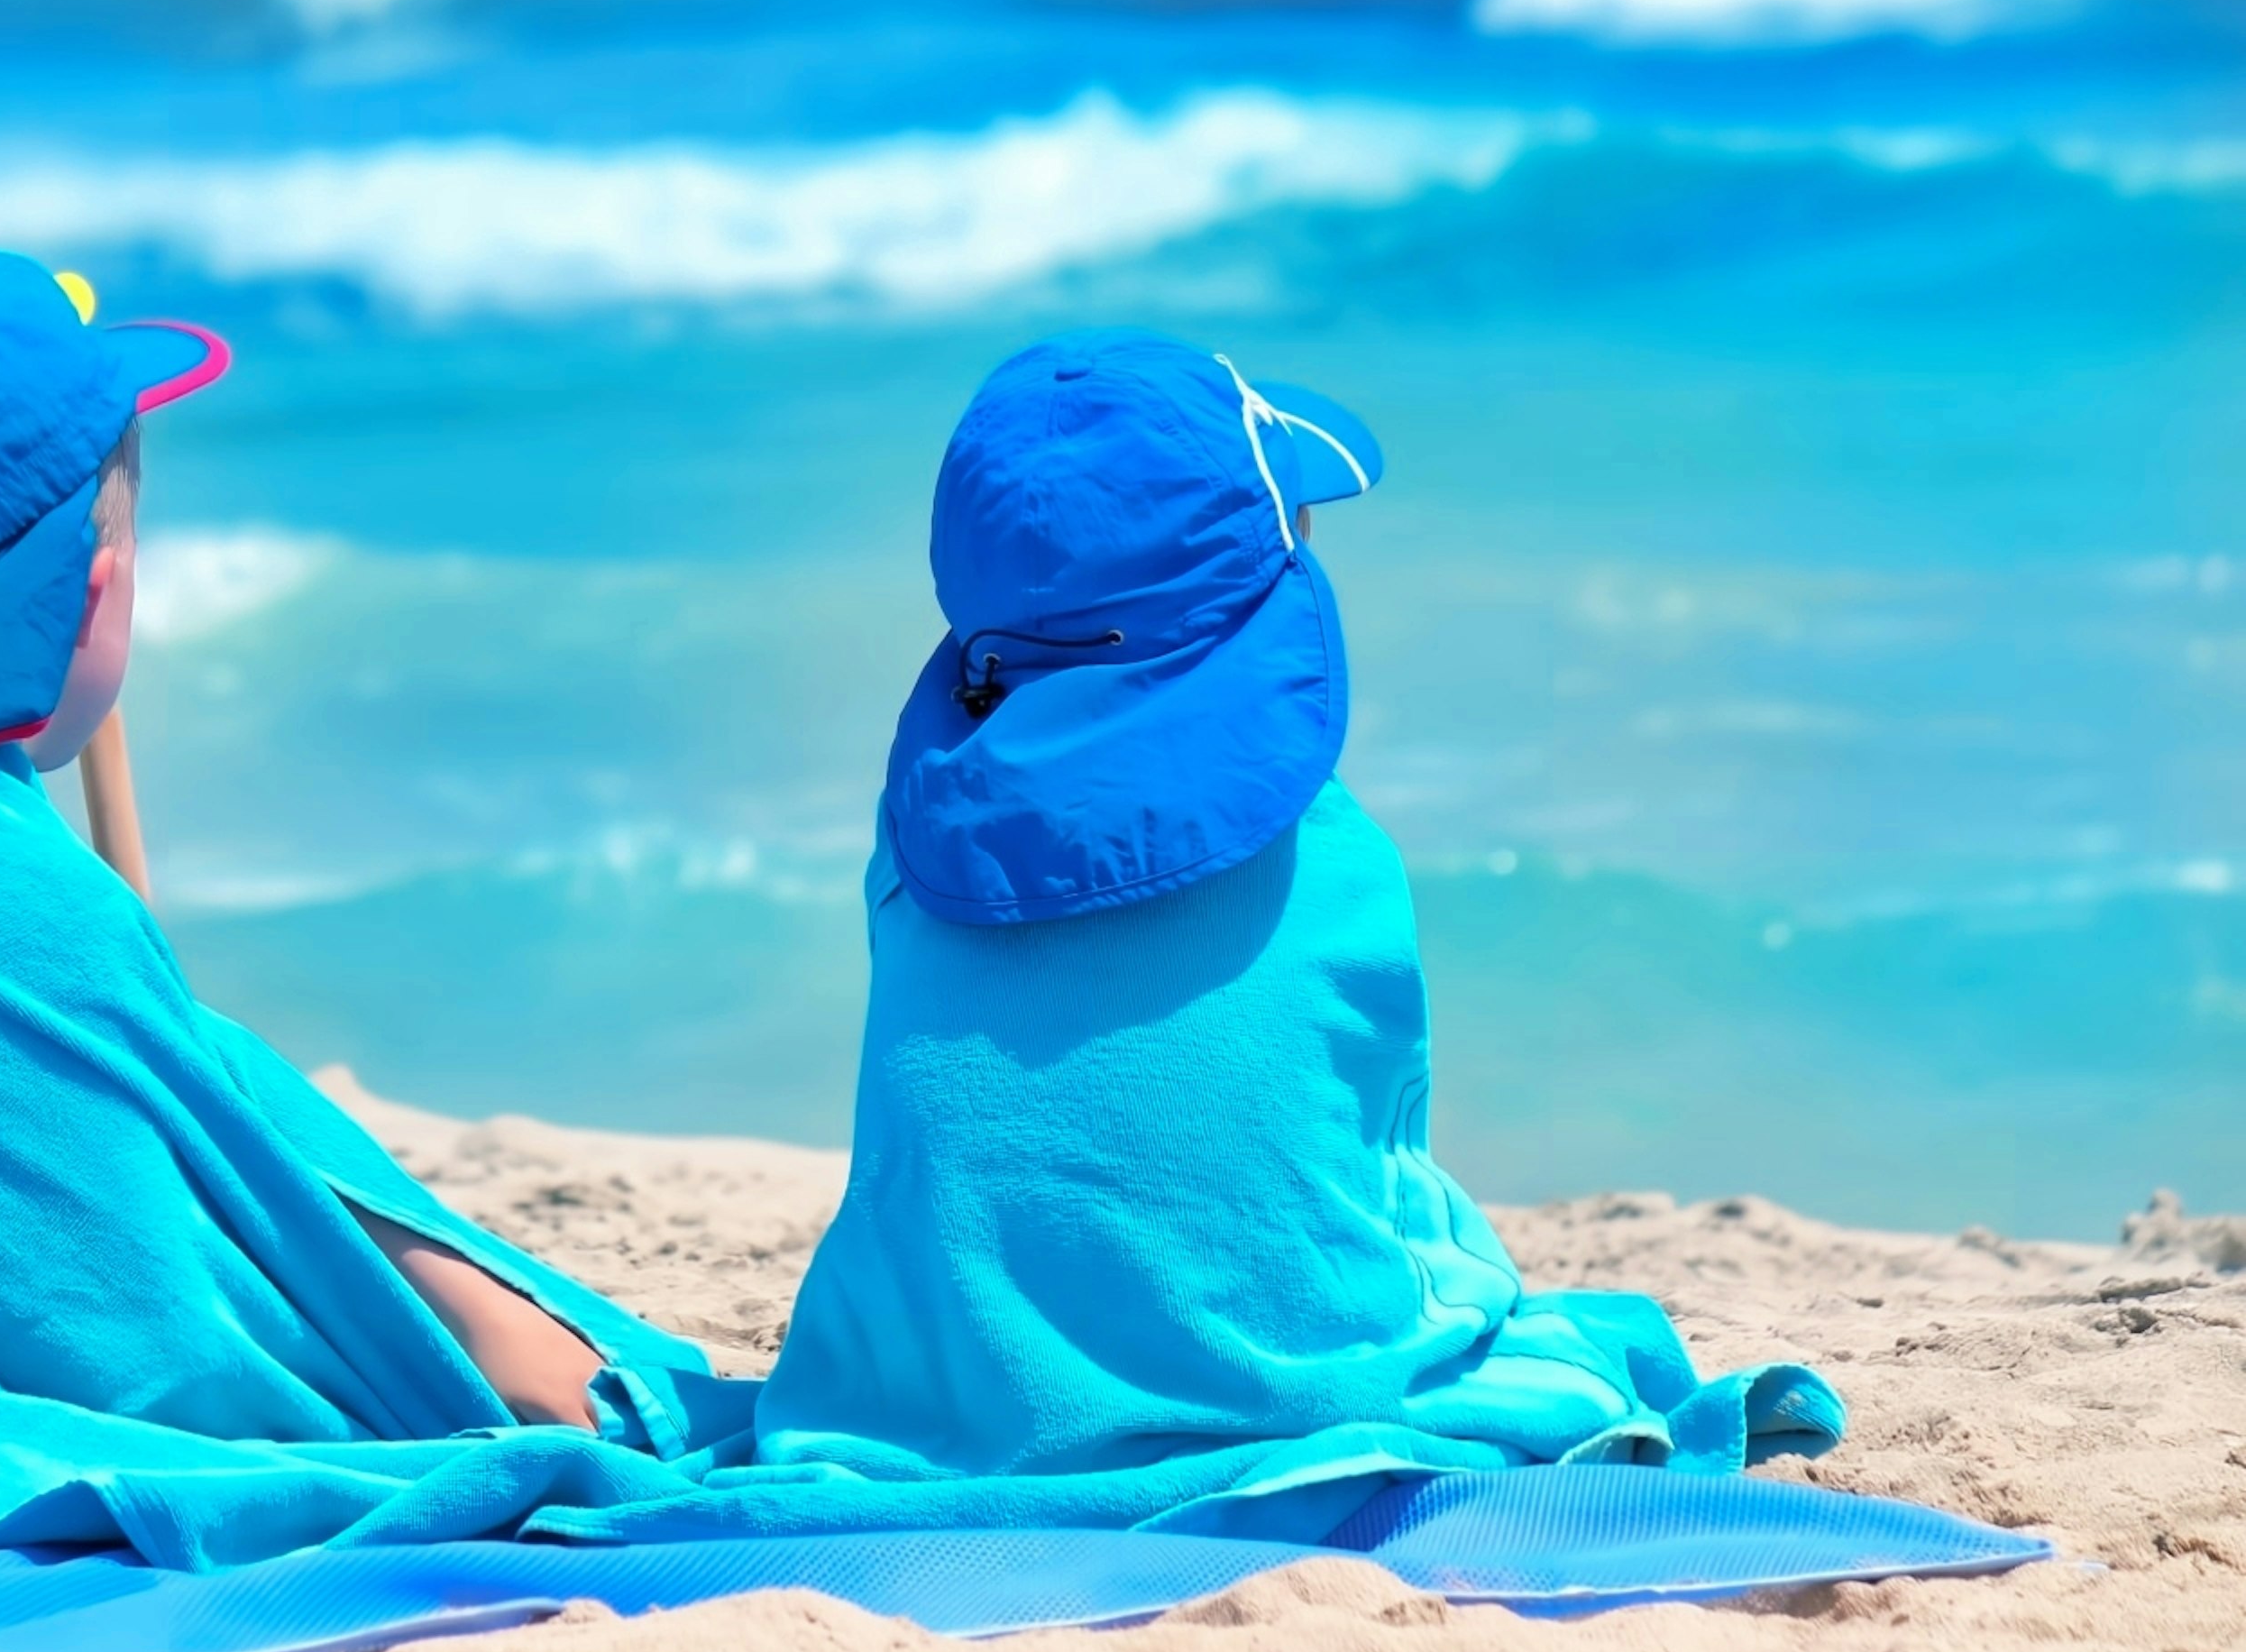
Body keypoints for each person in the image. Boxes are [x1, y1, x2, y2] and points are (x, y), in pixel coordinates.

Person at [0, 243, 692, 1442]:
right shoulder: (40, 919)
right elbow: (227, 1350)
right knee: (544, 1367)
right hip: (3, 1470)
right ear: (90, 595)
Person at [753, 330, 1838, 1510]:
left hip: (955, 1412)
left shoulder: (916, 850)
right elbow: (1371, 1148)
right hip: (1304, 1396)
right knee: (1536, 1327)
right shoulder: (1340, 859)